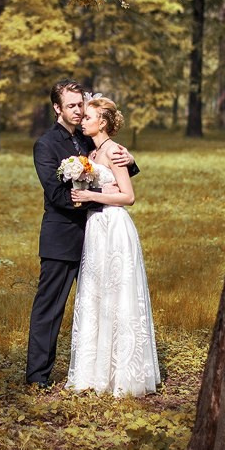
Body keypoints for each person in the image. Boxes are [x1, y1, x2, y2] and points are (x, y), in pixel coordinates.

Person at [26, 80, 134, 389]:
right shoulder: (46, 145)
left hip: (100, 239)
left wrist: (129, 159)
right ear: (57, 108)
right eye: (71, 105)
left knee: (101, 305)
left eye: (80, 105)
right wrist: (96, 195)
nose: (78, 110)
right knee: (50, 308)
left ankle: (104, 371)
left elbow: (111, 163)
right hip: (63, 237)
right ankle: (37, 376)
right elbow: (57, 193)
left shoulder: (87, 139)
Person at [66, 97, 160, 397]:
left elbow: (128, 196)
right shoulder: (91, 150)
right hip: (96, 228)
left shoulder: (114, 151)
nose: (82, 120)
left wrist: (92, 197)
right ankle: (95, 370)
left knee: (117, 293)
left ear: (102, 122)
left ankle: (123, 372)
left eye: (89, 116)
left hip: (114, 226)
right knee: (97, 294)